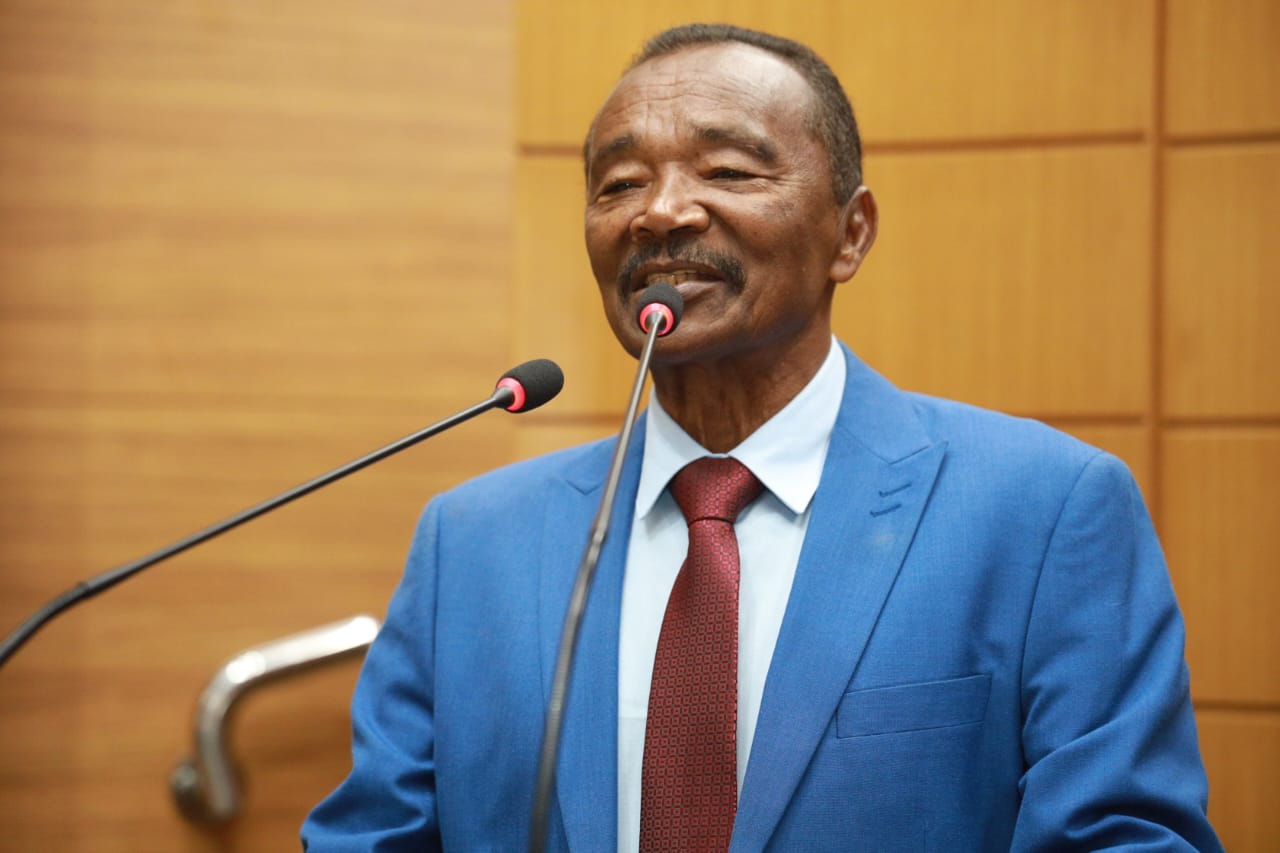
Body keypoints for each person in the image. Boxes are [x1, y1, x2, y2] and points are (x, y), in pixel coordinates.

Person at [302, 23, 1222, 852]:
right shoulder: (471, 543)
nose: (660, 212)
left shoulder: (1044, 511)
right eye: (619, 184)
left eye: (729, 172)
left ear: (850, 235)